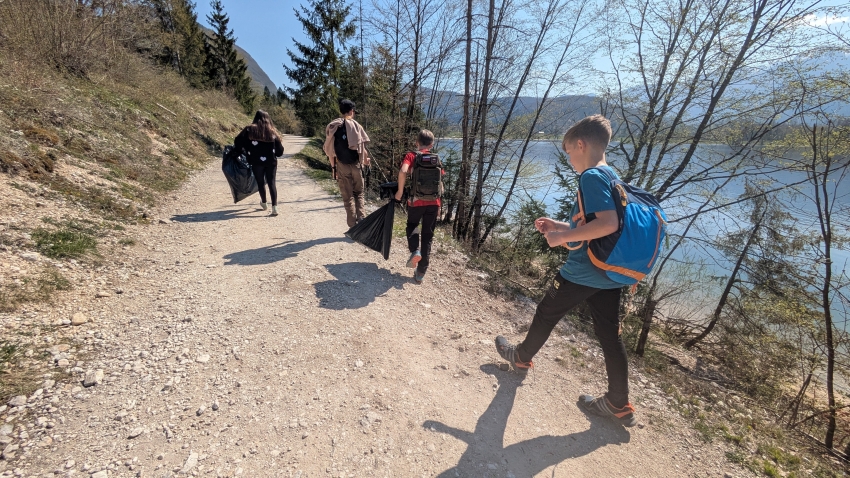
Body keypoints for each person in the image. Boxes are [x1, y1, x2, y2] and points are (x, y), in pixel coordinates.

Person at [493, 115, 638, 427]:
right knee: (609, 336)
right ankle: (618, 403)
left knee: (546, 312)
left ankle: (520, 357)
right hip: (609, 273)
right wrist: (560, 226)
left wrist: (560, 239)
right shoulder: (612, 176)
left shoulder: (591, 176)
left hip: (583, 270)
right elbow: (593, 225)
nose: (570, 159)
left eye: (570, 151)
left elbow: (608, 224)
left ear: (581, 145)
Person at [394, 129, 443, 284]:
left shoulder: (412, 156)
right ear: (431, 144)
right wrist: (439, 205)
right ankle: (420, 273)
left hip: (416, 201)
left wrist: (400, 191)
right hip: (434, 202)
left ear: (417, 143)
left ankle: (415, 250)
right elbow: (440, 182)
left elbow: (403, 171)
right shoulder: (436, 159)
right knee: (428, 236)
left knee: (412, 225)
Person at [323, 99, 371, 228]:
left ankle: (352, 226)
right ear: (351, 111)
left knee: (348, 196)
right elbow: (362, 149)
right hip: (356, 165)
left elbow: (330, 152)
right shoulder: (357, 126)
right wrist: (366, 161)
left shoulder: (334, 127)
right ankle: (362, 222)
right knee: (359, 193)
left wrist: (334, 169)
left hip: (342, 165)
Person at [235, 110, 284, 216]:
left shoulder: (249, 129)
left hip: (256, 161)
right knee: (271, 183)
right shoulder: (272, 131)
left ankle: (264, 203)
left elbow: (238, 141)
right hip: (271, 162)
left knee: (260, 182)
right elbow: (280, 151)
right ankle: (275, 207)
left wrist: (243, 150)